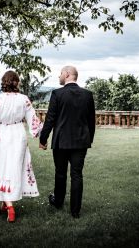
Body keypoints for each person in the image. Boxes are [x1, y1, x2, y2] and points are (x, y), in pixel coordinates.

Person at [0, 70, 43, 223]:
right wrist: (43, 138)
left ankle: (9, 206)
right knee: (14, 167)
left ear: (4, 82)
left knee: (1, 168)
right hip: (18, 134)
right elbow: (33, 120)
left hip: (2, 135)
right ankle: (5, 201)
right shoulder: (24, 99)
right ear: (17, 82)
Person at [39, 65, 95, 219]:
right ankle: (75, 211)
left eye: (60, 73)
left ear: (68, 74)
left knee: (60, 173)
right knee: (77, 175)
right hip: (81, 142)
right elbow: (91, 122)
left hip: (61, 141)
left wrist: (43, 139)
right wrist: (89, 139)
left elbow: (50, 119)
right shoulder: (87, 94)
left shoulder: (57, 94)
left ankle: (58, 202)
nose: (59, 76)